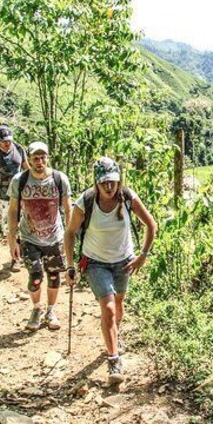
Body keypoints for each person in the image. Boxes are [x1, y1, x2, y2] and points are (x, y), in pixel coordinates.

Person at [65, 157, 156, 385]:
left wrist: (142, 255)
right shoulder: (85, 202)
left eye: (113, 182)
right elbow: (70, 233)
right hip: (95, 262)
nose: (109, 187)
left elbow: (151, 225)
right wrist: (69, 264)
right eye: (104, 182)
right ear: (96, 183)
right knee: (108, 307)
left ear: (119, 181)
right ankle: (113, 358)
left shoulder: (127, 197)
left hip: (123, 261)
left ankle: (113, 337)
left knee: (118, 304)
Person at [7, 142, 72, 332]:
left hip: (54, 237)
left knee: (53, 275)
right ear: (28, 159)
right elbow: (12, 211)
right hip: (30, 237)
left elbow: (68, 209)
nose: (40, 161)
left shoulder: (59, 179)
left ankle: (50, 311)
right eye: (35, 158)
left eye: (43, 157)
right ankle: (36, 309)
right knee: (35, 276)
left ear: (48, 157)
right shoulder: (20, 180)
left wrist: (70, 235)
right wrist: (12, 239)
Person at [0, 124, 29, 272]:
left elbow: (26, 167)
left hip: (22, 194)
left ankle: (24, 254)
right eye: (4, 141)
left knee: (25, 224)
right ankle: (15, 258)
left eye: (9, 141)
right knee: (10, 228)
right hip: (3, 196)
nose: (7, 144)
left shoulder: (19, 148)